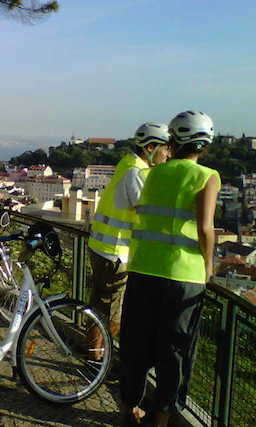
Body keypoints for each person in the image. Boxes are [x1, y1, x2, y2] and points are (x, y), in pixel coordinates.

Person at [120, 111, 220, 427]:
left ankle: (128, 411)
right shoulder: (207, 176)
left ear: (174, 140)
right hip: (183, 276)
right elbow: (206, 228)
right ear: (205, 144)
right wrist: (209, 265)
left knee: (136, 345)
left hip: (142, 269)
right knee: (173, 351)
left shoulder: (154, 174)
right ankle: (161, 419)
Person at [87, 122, 171, 357]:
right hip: (115, 252)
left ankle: (94, 354)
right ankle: (99, 359)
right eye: (165, 149)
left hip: (103, 247)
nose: (168, 155)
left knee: (99, 305)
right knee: (112, 311)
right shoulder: (137, 171)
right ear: (151, 147)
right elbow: (147, 213)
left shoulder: (127, 163)